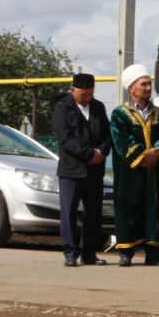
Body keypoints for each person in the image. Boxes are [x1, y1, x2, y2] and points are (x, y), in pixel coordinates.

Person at [110, 64, 159, 266]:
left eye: (149, 84)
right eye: (143, 84)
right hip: (130, 172)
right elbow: (121, 141)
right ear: (131, 88)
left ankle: (153, 252)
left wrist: (158, 151)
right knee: (129, 208)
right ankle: (126, 250)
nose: (148, 88)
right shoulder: (120, 114)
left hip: (153, 172)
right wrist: (143, 156)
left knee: (153, 209)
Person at [52, 73, 111, 267]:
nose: (87, 98)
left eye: (90, 94)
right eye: (83, 95)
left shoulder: (98, 107)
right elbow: (65, 139)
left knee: (93, 213)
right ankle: (70, 252)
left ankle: (89, 253)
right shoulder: (62, 108)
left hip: (95, 171)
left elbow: (107, 135)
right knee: (68, 212)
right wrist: (88, 154)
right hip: (72, 170)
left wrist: (101, 152)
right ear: (73, 90)